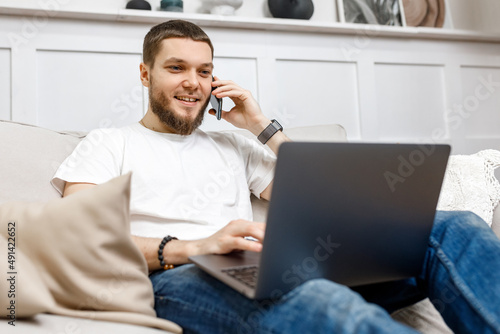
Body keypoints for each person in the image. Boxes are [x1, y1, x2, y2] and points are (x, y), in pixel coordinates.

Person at [52, 20, 500, 334]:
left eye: (204, 71)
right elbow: (77, 239)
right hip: (178, 279)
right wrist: (191, 247)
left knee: (452, 229)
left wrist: (259, 125)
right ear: (146, 74)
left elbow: (327, 201)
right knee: (324, 306)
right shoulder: (109, 143)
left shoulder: (235, 145)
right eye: (176, 68)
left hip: (273, 267)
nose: (194, 82)